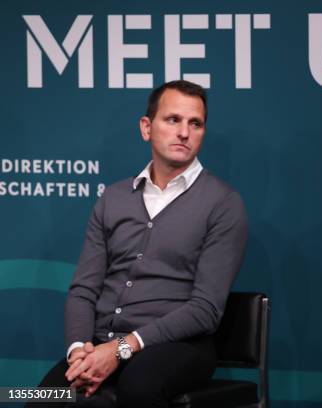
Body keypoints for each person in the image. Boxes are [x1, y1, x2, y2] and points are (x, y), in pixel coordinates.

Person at [30, 80, 248, 407]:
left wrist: (120, 349)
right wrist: (78, 351)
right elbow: (84, 289)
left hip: (179, 346)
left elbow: (205, 310)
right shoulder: (113, 199)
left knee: (137, 389)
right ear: (147, 128)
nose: (184, 132)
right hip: (101, 344)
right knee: (41, 399)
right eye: (173, 120)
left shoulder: (223, 203)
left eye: (195, 123)